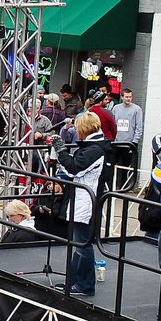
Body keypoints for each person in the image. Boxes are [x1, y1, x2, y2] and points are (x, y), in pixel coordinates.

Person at [52, 112, 108, 297]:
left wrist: (61, 150)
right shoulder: (95, 146)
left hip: (85, 200)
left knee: (82, 243)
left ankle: (85, 284)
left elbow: (74, 169)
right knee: (79, 243)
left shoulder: (95, 149)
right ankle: (74, 280)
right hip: (82, 197)